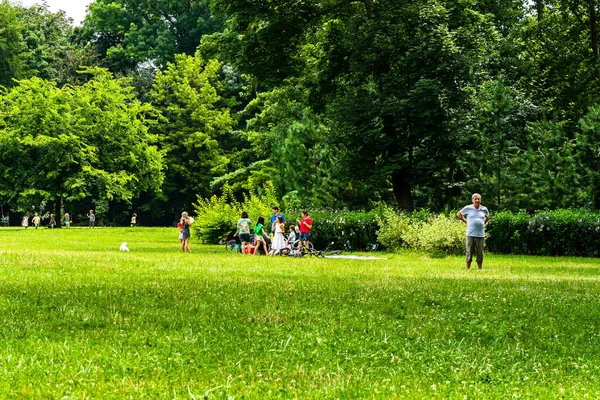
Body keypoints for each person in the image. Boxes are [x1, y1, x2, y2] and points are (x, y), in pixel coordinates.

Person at [456, 193, 490, 270]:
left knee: (480, 252)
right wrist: (465, 221)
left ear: (480, 200)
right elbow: (459, 214)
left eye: (478, 199)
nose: (477, 200)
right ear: (472, 200)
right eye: (475, 199)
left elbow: (488, 217)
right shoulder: (468, 208)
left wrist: (483, 222)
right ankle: (468, 268)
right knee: (469, 251)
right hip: (470, 234)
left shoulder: (484, 209)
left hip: (480, 234)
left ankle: (480, 268)